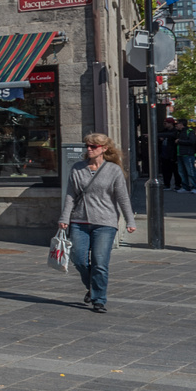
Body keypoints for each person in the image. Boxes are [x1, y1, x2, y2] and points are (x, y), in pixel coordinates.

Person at [61, 132, 133, 312]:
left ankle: (99, 298)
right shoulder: (78, 168)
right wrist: (64, 218)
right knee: (78, 259)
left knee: (100, 262)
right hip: (79, 220)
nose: (89, 149)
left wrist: (130, 220)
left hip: (105, 222)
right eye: (88, 146)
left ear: (104, 149)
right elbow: (70, 195)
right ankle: (93, 286)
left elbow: (122, 198)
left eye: (94, 146)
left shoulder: (113, 170)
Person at [176, 120, 196, 194]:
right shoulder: (178, 132)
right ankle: (185, 187)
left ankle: (195, 187)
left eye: (177, 124)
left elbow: (192, 142)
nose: (176, 125)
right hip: (180, 154)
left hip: (188, 154)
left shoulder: (190, 131)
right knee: (182, 172)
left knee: (190, 171)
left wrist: (179, 141)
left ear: (182, 124)